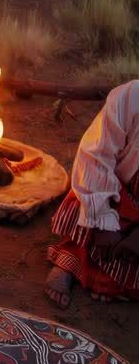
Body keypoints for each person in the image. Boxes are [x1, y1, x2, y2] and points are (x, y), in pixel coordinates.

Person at [45, 80, 139, 309]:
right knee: (83, 205)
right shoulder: (131, 97)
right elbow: (95, 156)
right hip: (114, 194)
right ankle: (72, 258)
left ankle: (111, 279)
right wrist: (103, 221)